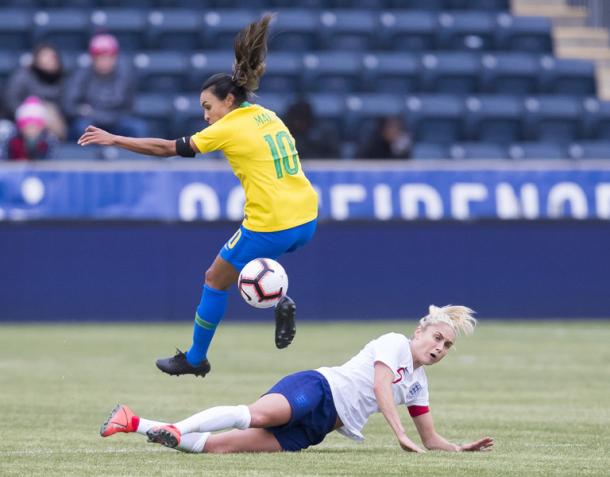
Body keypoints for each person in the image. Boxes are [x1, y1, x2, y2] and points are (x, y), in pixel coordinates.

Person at [78, 15, 319, 378]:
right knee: (242, 270)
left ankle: (196, 358)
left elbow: (164, 148)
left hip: (272, 222)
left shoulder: (228, 127)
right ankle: (278, 298)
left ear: (229, 100)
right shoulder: (267, 115)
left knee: (214, 279)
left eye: (208, 107)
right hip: (308, 218)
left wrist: (115, 139)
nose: (206, 116)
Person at [100, 304, 494, 454]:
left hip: (317, 429)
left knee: (218, 449)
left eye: (447, 346)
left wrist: (459, 449)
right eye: (437, 337)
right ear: (418, 332)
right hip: (318, 391)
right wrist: (398, 434)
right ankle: (173, 426)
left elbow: (430, 438)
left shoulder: (418, 382)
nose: (440, 347)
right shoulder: (394, 344)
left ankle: (133, 422)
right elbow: (379, 386)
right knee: (253, 416)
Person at [64, 33, 147, 141]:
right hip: (91, 120)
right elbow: (69, 105)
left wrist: (113, 116)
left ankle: (136, 158)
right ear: (93, 58)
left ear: (115, 57)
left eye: (108, 57)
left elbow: (130, 107)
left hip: (117, 119)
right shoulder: (81, 75)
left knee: (138, 128)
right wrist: (82, 111)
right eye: (100, 57)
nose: (104, 60)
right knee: (80, 127)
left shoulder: (125, 75)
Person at [5, 43, 68, 140]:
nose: (48, 60)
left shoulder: (63, 78)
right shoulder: (23, 76)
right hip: (23, 121)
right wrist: (29, 115)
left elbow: (67, 105)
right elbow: (11, 100)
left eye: (52, 57)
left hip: (54, 122)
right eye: (44, 56)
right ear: (36, 59)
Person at [4, 96, 58, 161]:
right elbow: (4, 160)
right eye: (27, 127)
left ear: (41, 128)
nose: (31, 131)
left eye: (34, 127)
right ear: (21, 128)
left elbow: (51, 163)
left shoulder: (49, 141)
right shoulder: (12, 140)